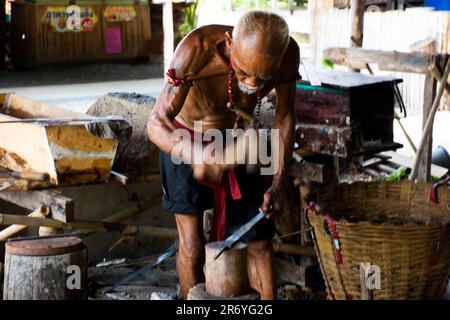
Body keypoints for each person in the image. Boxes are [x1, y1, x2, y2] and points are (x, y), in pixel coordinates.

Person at [147, 10, 299, 300]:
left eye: (264, 78)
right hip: (185, 137)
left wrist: (279, 183)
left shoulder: (288, 53)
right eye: (242, 72)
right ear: (229, 43)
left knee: (259, 241)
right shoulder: (197, 50)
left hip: (240, 139)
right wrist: (195, 154)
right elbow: (155, 124)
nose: (253, 85)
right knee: (192, 247)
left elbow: (284, 119)